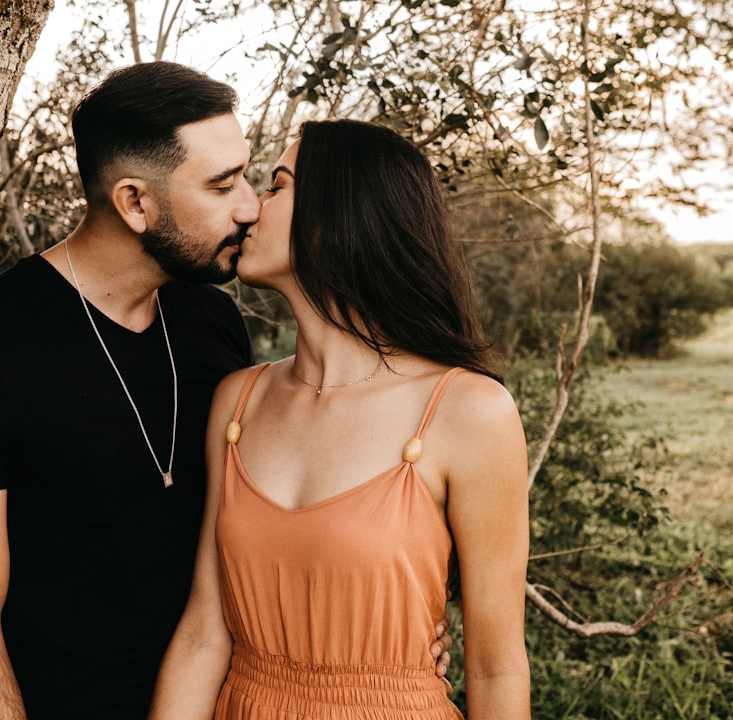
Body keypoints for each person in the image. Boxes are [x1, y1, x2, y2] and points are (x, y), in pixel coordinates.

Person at [0, 63, 454, 720]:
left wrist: (383, 644)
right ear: (135, 203)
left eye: (249, 175)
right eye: (222, 184)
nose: (250, 205)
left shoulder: (213, 323)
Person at [149, 119, 531, 720]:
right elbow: (204, 633)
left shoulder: (468, 411)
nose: (249, 209)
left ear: (338, 217)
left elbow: (496, 665)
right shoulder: (237, 401)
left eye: (276, 186)